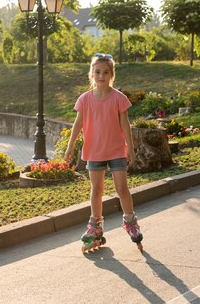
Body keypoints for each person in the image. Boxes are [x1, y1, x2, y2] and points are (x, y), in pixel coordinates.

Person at [65, 53, 143, 252]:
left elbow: (125, 125)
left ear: (112, 75)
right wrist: (70, 145)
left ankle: (130, 222)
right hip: (94, 151)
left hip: (116, 149)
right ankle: (95, 227)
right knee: (96, 190)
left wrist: (130, 148)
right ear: (92, 74)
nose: (101, 76)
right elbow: (78, 124)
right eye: (97, 72)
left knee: (121, 188)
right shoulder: (85, 99)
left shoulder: (119, 98)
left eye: (106, 72)